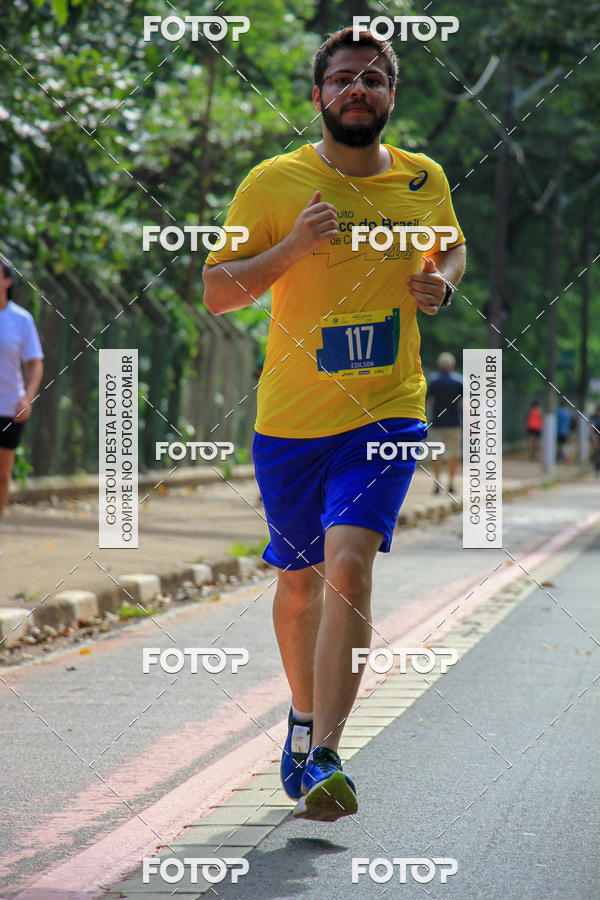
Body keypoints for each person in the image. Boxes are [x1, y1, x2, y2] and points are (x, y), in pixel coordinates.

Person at [203, 28, 466, 821]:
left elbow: (449, 250)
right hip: (290, 422)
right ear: (318, 96)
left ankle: (322, 753)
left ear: (392, 98)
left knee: (349, 565)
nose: (359, 90)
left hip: (388, 410)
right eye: (344, 79)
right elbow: (218, 291)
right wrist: (293, 245)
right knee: (298, 583)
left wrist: (441, 284)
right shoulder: (275, 182)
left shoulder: (425, 177)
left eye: (375, 80)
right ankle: (301, 714)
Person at [0, 263, 44, 523]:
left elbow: (34, 362)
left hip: (9, 407)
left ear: (7, 281)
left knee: (2, 477)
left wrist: (27, 398)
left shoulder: (21, 319)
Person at [426, 352, 463, 495]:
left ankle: (437, 483)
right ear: (452, 366)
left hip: (437, 423)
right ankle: (451, 483)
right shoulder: (458, 382)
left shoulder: (434, 381)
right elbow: (465, 403)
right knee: (454, 453)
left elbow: (427, 401)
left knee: (436, 453)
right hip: (454, 424)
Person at [589, 405, 600, 476]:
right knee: (597, 455)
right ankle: (596, 470)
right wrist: (593, 439)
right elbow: (591, 429)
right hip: (596, 439)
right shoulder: (594, 418)